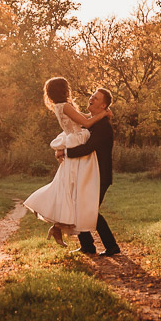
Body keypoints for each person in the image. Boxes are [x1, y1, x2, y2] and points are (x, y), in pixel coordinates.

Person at [23, 77, 108, 246]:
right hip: (76, 142)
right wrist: (104, 114)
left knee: (70, 187)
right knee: (73, 188)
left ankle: (58, 226)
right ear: (64, 90)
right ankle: (58, 226)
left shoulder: (59, 106)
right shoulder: (66, 106)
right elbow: (86, 122)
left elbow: (83, 116)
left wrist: (98, 114)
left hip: (73, 140)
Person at [58, 87, 120, 257]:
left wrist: (65, 152)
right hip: (88, 174)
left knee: (89, 210)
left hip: (100, 175)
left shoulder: (103, 127)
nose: (91, 98)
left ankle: (112, 246)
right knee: (81, 207)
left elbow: (88, 148)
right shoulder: (92, 123)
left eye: (96, 98)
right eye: (92, 95)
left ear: (104, 105)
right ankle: (88, 246)